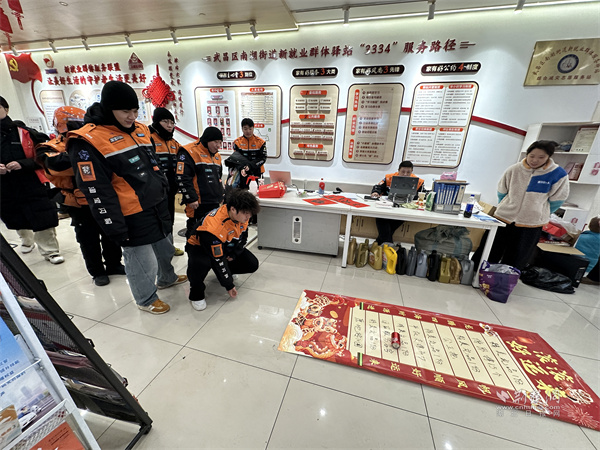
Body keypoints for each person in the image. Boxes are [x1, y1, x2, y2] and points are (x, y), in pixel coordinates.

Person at [67, 81, 187, 314]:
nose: (132, 117)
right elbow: (96, 189)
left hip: (157, 204)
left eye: (135, 110)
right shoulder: (88, 140)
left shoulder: (141, 129)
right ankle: (145, 298)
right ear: (108, 108)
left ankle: (167, 277)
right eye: (125, 111)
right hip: (131, 212)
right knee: (142, 259)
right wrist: (114, 226)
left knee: (165, 249)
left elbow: (153, 165)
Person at [36, 106, 125, 286]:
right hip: (78, 202)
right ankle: (97, 271)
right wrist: (85, 154)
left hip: (103, 196)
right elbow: (56, 166)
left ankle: (114, 264)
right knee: (88, 238)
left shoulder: (92, 140)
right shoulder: (50, 147)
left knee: (111, 231)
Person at [485, 140, 569, 271]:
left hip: (531, 223)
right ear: (527, 154)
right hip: (504, 217)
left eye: (541, 157)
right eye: (532, 156)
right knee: (490, 250)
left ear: (548, 157)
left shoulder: (558, 174)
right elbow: (502, 191)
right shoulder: (514, 169)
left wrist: (539, 212)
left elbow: (557, 200)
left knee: (518, 256)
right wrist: (506, 206)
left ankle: (507, 278)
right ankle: (481, 274)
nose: (535, 160)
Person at [0, 96, 65, 264]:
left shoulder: (25, 132)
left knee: (41, 215)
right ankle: (26, 240)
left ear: (6, 109)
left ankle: (50, 251)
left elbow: (44, 156)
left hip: (31, 182)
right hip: (5, 186)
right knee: (15, 216)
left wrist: (23, 164)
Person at [185, 188, 260, 311]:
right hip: (200, 247)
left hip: (224, 244)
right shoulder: (213, 227)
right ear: (233, 209)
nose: (249, 216)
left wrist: (234, 254)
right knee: (201, 264)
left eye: (250, 213)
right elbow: (218, 259)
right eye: (246, 213)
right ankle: (196, 294)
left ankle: (224, 271)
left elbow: (242, 238)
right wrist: (229, 285)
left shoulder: (241, 217)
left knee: (251, 263)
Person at [177, 126, 224, 238]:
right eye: (216, 142)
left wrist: (221, 194)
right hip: (198, 203)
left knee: (211, 232)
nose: (218, 145)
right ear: (207, 140)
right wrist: (191, 198)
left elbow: (218, 178)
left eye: (220, 142)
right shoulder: (189, 152)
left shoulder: (217, 156)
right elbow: (182, 177)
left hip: (213, 202)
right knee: (195, 233)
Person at [149, 107, 184, 257]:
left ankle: (169, 247)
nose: (170, 126)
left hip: (170, 190)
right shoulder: (149, 139)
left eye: (172, 122)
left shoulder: (173, 143)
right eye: (165, 122)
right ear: (157, 122)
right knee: (156, 222)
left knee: (169, 219)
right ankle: (158, 251)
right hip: (154, 192)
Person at [370, 160, 424, 244]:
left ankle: (379, 243)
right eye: (403, 171)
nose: (405, 174)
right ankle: (387, 245)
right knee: (381, 218)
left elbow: (421, 195)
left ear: (412, 171)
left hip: (404, 209)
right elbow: (378, 186)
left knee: (390, 224)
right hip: (387, 206)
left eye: (408, 172)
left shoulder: (418, 181)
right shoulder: (389, 177)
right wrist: (376, 192)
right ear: (398, 170)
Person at [225, 118, 267, 190]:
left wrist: (250, 166)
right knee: (242, 193)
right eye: (245, 129)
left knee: (256, 193)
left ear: (253, 128)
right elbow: (236, 159)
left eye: (250, 129)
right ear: (242, 129)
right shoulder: (237, 142)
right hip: (242, 172)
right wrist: (242, 168)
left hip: (257, 172)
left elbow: (263, 158)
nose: (248, 131)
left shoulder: (261, 142)